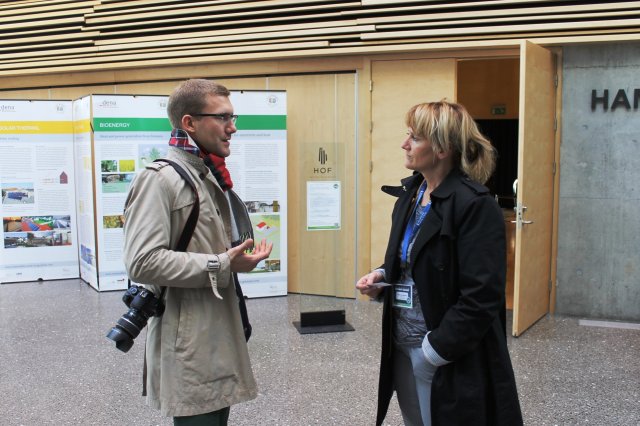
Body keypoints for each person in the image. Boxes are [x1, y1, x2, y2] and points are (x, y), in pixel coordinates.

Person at [356, 100, 523, 426]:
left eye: (414, 138)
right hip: (402, 345)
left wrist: (433, 353)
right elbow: (412, 259)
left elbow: (482, 297)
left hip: (444, 353)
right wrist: (381, 276)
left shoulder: (474, 205)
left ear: (443, 148)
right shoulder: (411, 194)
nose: (404, 144)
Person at [123, 79, 272, 425]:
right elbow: (142, 261)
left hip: (216, 333)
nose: (232, 128)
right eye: (222, 118)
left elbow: (201, 250)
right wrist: (221, 263)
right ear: (189, 123)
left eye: (234, 117)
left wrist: (234, 264)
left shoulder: (206, 174)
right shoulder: (160, 179)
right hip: (190, 342)